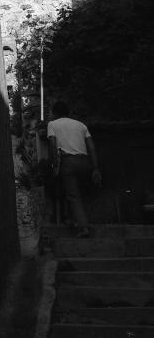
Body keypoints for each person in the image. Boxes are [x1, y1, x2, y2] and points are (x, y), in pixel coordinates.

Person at [47, 100, 101, 236]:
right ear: (68, 112)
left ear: (54, 113)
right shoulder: (81, 125)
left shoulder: (52, 124)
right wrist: (95, 168)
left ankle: (83, 227)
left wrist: (54, 165)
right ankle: (73, 220)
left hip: (67, 162)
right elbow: (92, 147)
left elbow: (53, 145)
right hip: (85, 161)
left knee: (73, 195)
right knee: (78, 192)